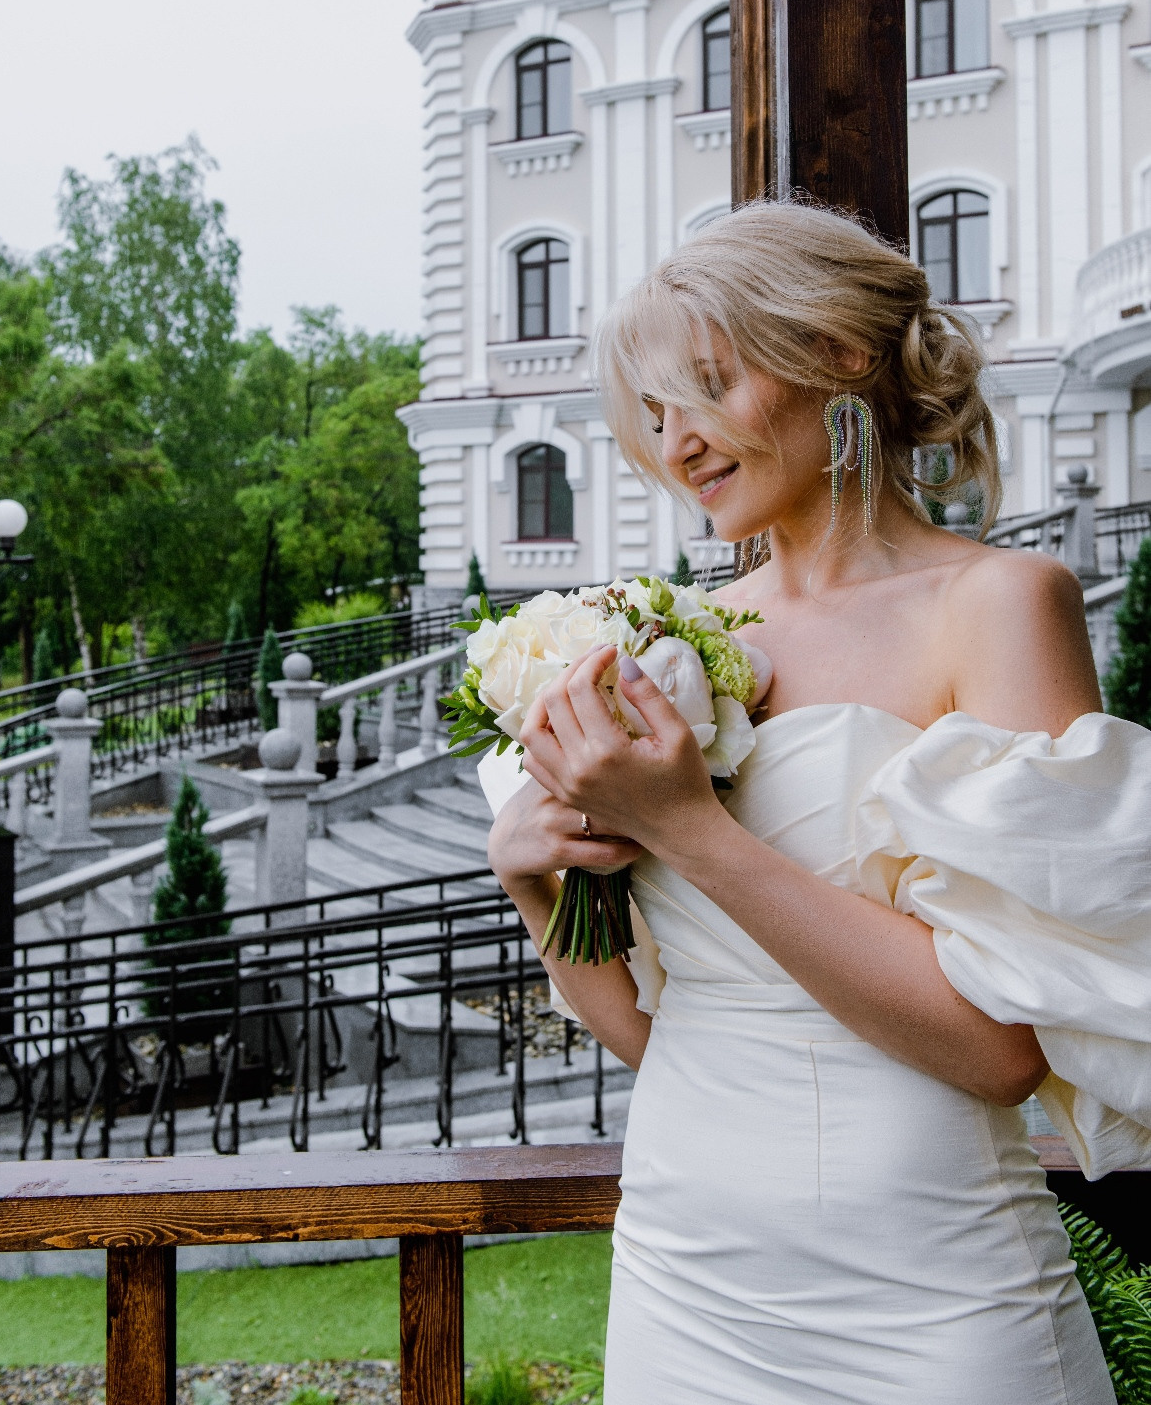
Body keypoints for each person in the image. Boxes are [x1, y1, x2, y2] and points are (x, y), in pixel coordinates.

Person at [486, 201, 1151, 1404]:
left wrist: (687, 824)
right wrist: (532, 874)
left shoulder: (999, 605)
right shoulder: (676, 640)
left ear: (837, 356)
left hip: (933, 1296)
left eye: (706, 387)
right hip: (685, 1280)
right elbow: (660, 1031)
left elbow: (997, 1051)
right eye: (652, 415)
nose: (675, 440)